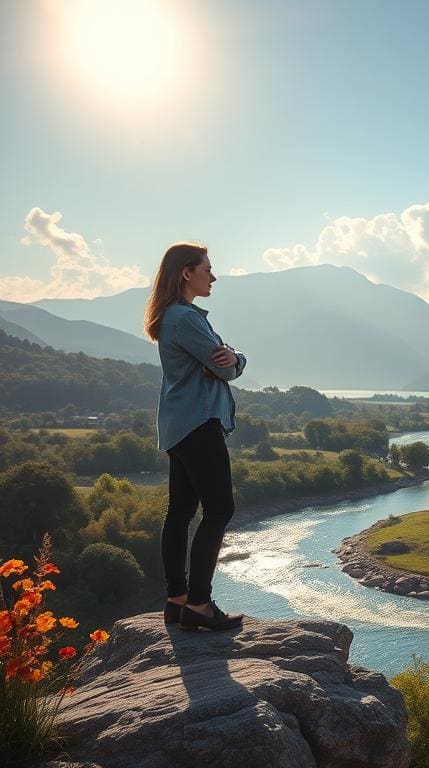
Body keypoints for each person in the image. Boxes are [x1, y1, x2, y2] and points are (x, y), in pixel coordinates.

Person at [144, 242, 246, 631]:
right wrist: (235, 358)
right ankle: (200, 604)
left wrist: (228, 358)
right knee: (219, 510)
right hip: (200, 422)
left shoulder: (171, 316)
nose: (213, 277)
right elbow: (226, 368)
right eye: (207, 269)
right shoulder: (186, 319)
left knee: (181, 511)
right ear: (187, 272)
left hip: (178, 425)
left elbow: (220, 363)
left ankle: (177, 600)